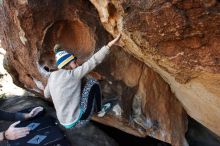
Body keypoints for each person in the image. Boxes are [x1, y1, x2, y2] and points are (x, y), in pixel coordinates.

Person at [44, 34, 121, 128]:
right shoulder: (72, 75)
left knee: (83, 84)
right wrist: (109, 45)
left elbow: (46, 95)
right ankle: (100, 110)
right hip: (79, 120)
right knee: (93, 83)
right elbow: (94, 61)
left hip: (64, 122)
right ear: (67, 64)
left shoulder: (52, 76)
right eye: (74, 62)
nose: (77, 64)